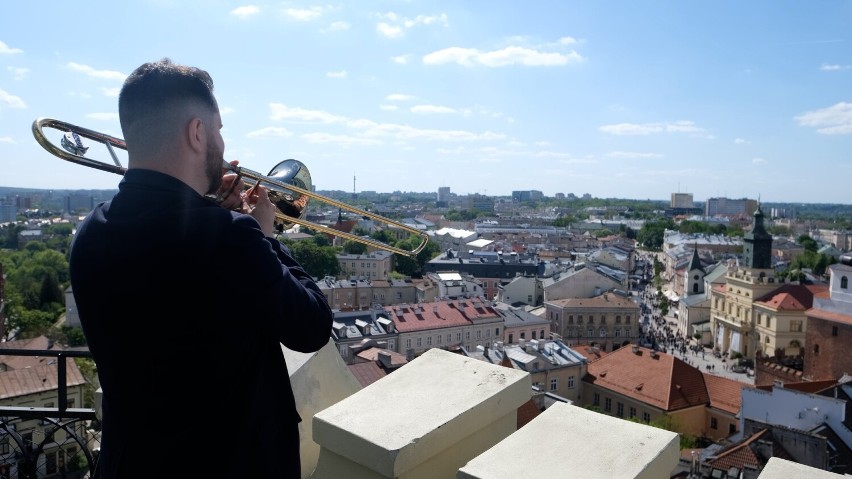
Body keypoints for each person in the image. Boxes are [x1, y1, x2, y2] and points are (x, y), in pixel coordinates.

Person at [69, 58, 333, 478]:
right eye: (219, 130)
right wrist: (264, 237)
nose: (224, 146)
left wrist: (226, 221)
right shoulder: (231, 238)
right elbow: (313, 326)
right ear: (197, 132)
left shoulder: (90, 231)